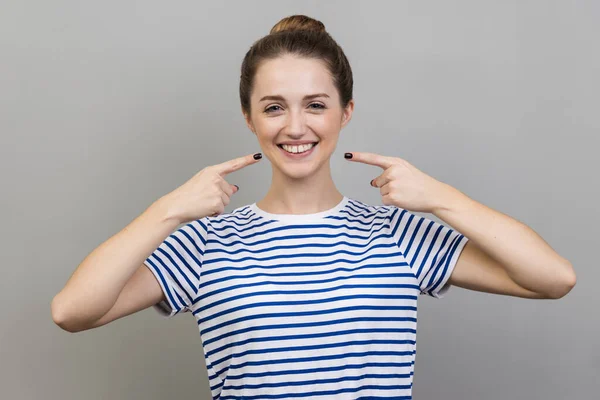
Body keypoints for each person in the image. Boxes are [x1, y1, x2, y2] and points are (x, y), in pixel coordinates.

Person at [51, 14, 576, 400]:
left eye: (316, 105)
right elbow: (71, 312)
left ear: (345, 112)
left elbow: (553, 278)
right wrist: (167, 210)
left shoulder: (397, 234)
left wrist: (440, 197)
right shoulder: (204, 243)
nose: (295, 127)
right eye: (274, 107)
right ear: (249, 118)